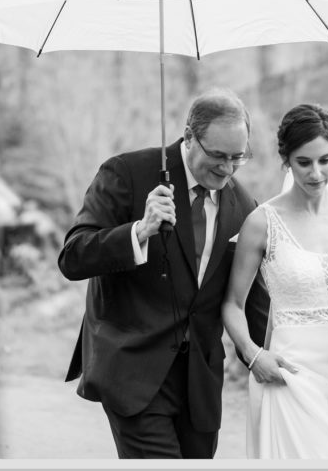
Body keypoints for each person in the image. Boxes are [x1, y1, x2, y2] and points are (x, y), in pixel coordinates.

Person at [58, 88, 269, 459]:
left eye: (239, 157)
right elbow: (73, 256)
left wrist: (271, 354)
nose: (227, 168)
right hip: (133, 372)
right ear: (189, 136)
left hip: (200, 384)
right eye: (218, 156)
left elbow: (251, 297)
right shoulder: (126, 173)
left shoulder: (245, 206)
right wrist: (139, 230)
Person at [222, 103, 328, 459]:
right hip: (292, 371)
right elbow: (232, 304)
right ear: (286, 160)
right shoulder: (262, 222)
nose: (316, 173)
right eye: (304, 162)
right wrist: (254, 355)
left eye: (324, 160)